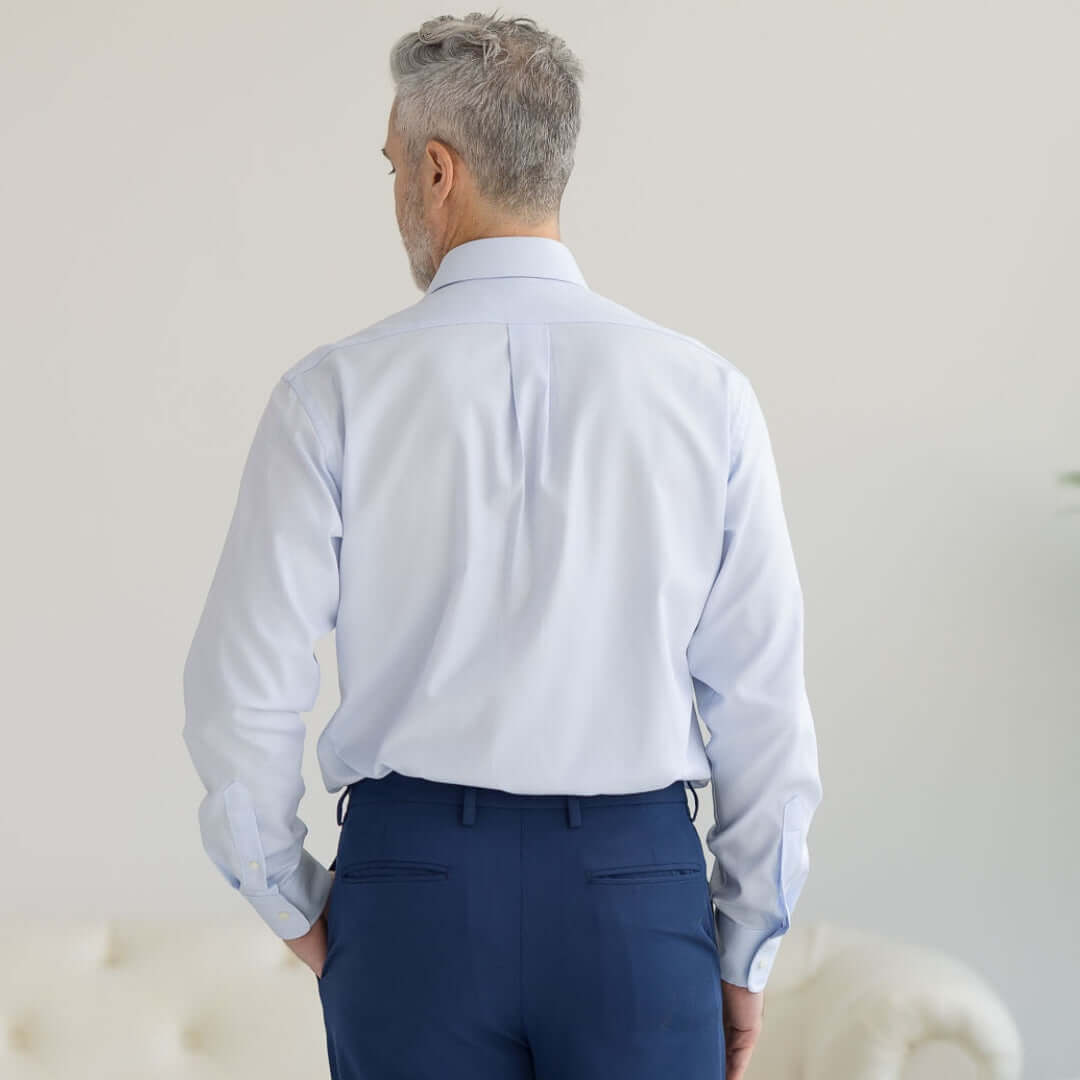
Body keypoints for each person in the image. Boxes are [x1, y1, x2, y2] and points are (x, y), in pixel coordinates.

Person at [181, 12, 823, 1080]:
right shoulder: (705, 395)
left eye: (392, 165)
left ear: (440, 171)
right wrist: (748, 943)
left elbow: (240, 692)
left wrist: (287, 899)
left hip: (412, 894)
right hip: (635, 896)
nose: (392, 190)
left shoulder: (331, 396)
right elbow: (761, 700)